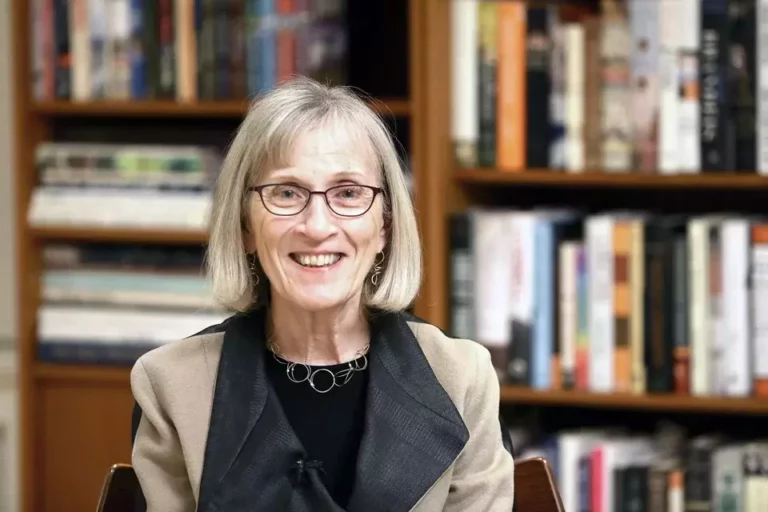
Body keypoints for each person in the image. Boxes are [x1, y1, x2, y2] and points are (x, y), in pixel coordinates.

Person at [129, 77, 515, 511]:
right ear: (245, 226)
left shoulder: (461, 377)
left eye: (348, 193)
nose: (317, 226)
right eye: (286, 192)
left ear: (385, 226)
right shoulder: (172, 385)